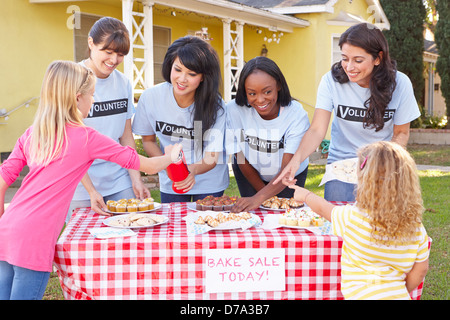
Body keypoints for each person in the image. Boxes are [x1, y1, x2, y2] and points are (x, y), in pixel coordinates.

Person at [0, 60, 181, 300]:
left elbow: (4, 176)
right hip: (35, 238)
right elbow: (145, 165)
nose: (93, 101)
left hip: (8, 229)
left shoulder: (33, 133)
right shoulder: (87, 137)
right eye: (92, 95)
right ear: (77, 99)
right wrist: (171, 156)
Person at [275, 23, 421, 201]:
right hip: (341, 167)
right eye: (345, 58)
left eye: (358, 60)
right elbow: (317, 130)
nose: (349, 67)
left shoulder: (400, 84)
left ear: (378, 58)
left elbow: (401, 133)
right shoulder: (331, 81)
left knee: (381, 225)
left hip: (382, 165)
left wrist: (383, 165)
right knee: (336, 223)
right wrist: (296, 160)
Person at [289, 141, 429, 300]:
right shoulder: (416, 227)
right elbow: (421, 269)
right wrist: (397, 291)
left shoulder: (354, 218)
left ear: (365, 181)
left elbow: (323, 209)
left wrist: (305, 195)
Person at [67, 17, 150, 223]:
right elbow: (68, 144)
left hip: (118, 179)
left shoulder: (123, 83)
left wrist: (136, 179)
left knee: (129, 239)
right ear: (90, 43)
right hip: (80, 184)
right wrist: (92, 191)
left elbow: (126, 136)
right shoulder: (70, 80)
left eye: (120, 54)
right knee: (84, 245)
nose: (114, 60)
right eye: (108, 51)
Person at [132, 36, 229, 203]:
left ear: (203, 77)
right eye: (177, 70)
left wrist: (190, 170)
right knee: (173, 227)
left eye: (191, 74)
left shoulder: (216, 106)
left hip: (209, 180)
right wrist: (170, 166)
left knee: (206, 225)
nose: (182, 79)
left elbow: (212, 156)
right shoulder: (150, 98)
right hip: (171, 179)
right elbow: (148, 141)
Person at [226, 56, 310, 212]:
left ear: (278, 85)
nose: (260, 100)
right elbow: (241, 157)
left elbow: (287, 170)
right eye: (252, 93)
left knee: (285, 216)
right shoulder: (233, 111)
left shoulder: (296, 114)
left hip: (289, 175)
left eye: (267, 91)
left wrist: (261, 198)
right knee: (254, 215)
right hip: (249, 170)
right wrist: (263, 198)